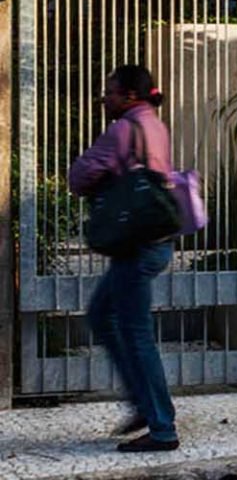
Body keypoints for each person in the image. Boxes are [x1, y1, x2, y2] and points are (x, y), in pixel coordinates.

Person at [68, 63, 180, 454]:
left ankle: (162, 427)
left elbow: (79, 177)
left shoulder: (123, 130)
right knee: (102, 314)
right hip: (154, 239)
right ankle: (143, 403)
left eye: (110, 91)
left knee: (135, 333)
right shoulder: (154, 124)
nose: (105, 98)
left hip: (137, 244)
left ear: (130, 96)